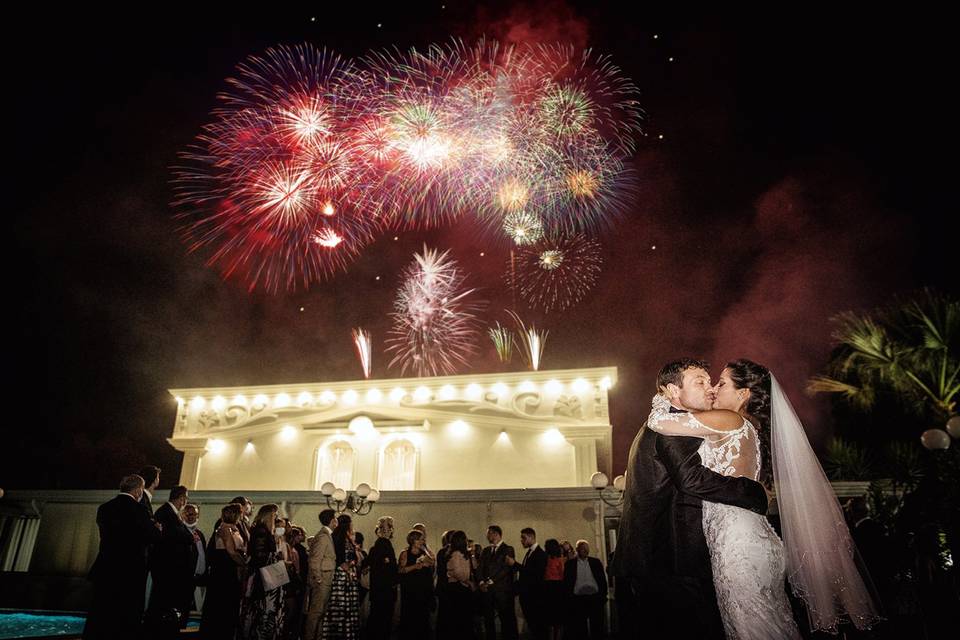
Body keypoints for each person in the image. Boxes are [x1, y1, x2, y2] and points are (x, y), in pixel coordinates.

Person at [644, 359, 880, 638]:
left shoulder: (730, 419)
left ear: (743, 394)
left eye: (721, 383)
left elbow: (658, 422)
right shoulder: (747, 427)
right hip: (755, 539)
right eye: (708, 383)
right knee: (772, 626)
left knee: (751, 630)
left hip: (738, 546)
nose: (713, 389)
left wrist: (664, 396)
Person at [610, 358, 770, 640]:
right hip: (665, 564)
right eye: (701, 382)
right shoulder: (674, 430)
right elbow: (692, 480)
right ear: (673, 391)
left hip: (655, 562)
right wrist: (752, 491)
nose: (710, 389)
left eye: (712, 382)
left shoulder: (673, 424)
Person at [83, 474, 162, 640]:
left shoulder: (105, 508)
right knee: (126, 613)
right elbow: (151, 536)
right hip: (130, 569)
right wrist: (157, 529)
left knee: (100, 610)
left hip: (106, 565)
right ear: (139, 490)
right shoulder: (139, 509)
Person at [149, 485, 197, 628]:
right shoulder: (168, 513)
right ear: (181, 499)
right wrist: (190, 537)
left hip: (169, 565)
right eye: (186, 498)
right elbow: (174, 535)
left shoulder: (169, 512)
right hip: (168, 565)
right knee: (163, 599)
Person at [200, 503, 247, 640]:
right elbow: (231, 551)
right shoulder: (225, 529)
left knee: (229, 603)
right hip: (224, 569)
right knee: (222, 603)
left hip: (230, 568)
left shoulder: (234, 529)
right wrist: (244, 563)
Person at [238, 504, 286, 639]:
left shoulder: (266, 530)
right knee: (263, 608)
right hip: (264, 575)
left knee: (270, 609)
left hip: (269, 573)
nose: (276, 518)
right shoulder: (261, 530)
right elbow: (260, 555)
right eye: (274, 515)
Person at [321, 513, 361, 640]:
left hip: (349, 574)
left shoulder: (348, 539)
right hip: (341, 577)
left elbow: (354, 557)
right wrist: (347, 568)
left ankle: (348, 633)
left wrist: (352, 563)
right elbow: (338, 558)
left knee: (348, 606)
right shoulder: (337, 538)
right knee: (340, 607)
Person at [478, 525, 518, 640]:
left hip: (501, 590)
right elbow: (480, 568)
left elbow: (505, 569)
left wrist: (490, 581)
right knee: (488, 619)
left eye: (488, 533)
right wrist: (481, 582)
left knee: (505, 619)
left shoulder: (508, 549)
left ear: (496, 534)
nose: (487, 536)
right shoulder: (486, 550)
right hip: (487, 590)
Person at [562, 540, 607, 640]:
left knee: (597, 627)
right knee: (580, 628)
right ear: (577, 549)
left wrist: (603, 596)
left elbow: (602, 580)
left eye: (587, 548)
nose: (585, 551)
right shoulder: (570, 564)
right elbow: (567, 582)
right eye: (583, 548)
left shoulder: (595, 562)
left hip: (595, 598)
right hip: (578, 600)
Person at [304, 509, 337, 640]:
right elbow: (314, 559)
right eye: (335, 518)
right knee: (316, 613)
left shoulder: (327, 535)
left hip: (325, 578)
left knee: (321, 612)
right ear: (332, 520)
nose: (337, 521)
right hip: (322, 579)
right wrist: (318, 578)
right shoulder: (323, 536)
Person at [365, 515, 398, 640]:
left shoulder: (378, 546)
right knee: (382, 620)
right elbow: (389, 568)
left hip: (380, 590)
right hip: (384, 590)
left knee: (377, 618)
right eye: (387, 527)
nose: (389, 530)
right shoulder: (383, 544)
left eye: (389, 527)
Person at [398, 529, 435, 639]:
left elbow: (432, 561)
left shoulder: (424, 553)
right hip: (410, 590)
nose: (423, 541)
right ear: (413, 540)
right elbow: (400, 570)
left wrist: (426, 551)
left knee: (423, 617)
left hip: (423, 591)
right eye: (421, 539)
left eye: (423, 539)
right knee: (410, 617)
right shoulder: (405, 553)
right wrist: (415, 566)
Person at [511, 527, 547, 640]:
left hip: (534, 597)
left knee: (538, 627)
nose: (521, 540)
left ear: (531, 537)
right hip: (528, 597)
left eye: (523, 538)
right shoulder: (530, 553)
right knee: (533, 627)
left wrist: (514, 564)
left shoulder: (540, 554)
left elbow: (533, 574)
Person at [444, 530, 477, 639]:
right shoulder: (456, 554)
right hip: (457, 588)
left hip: (463, 587)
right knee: (460, 618)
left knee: (465, 617)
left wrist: (472, 555)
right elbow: (457, 573)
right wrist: (468, 582)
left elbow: (475, 567)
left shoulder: (464, 554)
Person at [182, 503, 208, 614]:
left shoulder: (199, 533)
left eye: (195, 514)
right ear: (183, 514)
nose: (192, 517)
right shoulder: (181, 532)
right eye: (190, 514)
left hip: (198, 579)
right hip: (185, 578)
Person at [542, 539, 565, 640]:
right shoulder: (558, 560)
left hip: (550, 587)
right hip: (556, 587)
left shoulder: (548, 559)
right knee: (555, 620)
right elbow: (562, 574)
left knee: (552, 619)